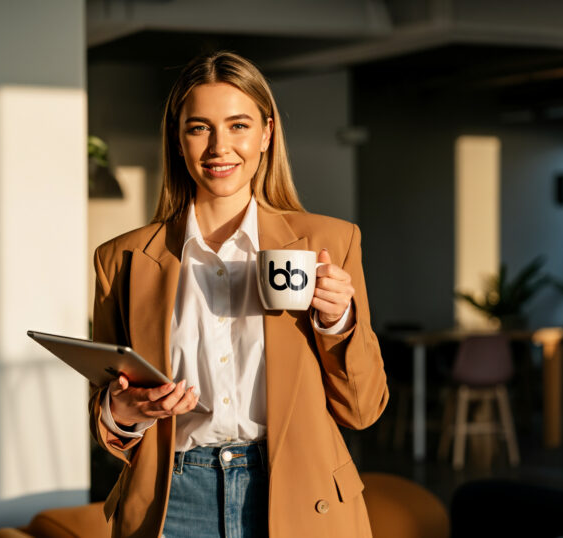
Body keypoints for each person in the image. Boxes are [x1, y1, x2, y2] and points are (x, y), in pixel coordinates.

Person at [88, 51, 389, 538]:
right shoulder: (121, 260)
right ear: (178, 138)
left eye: (238, 126)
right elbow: (106, 416)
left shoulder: (329, 243)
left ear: (266, 134)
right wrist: (122, 413)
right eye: (199, 128)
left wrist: (338, 322)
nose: (219, 147)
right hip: (171, 505)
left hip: (299, 497)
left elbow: (363, 408)